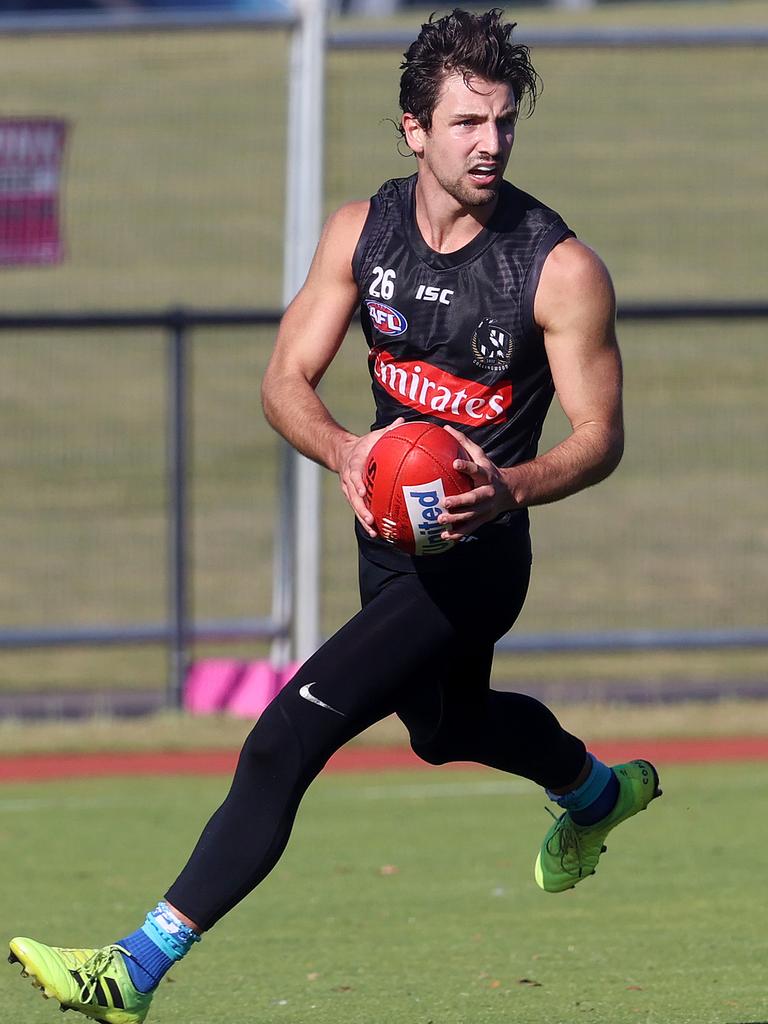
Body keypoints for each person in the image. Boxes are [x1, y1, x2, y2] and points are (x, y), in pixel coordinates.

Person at [8, 10, 662, 1024]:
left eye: (502, 122)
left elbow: (601, 434)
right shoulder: (362, 233)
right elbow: (283, 380)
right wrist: (348, 448)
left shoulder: (558, 267)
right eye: (465, 123)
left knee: (284, 737)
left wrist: (513, 485)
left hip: (479, 555)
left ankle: (132, 967)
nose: (489, 142)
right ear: (413, 128)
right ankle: (593, 792)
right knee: (444, 731)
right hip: (389, 544)